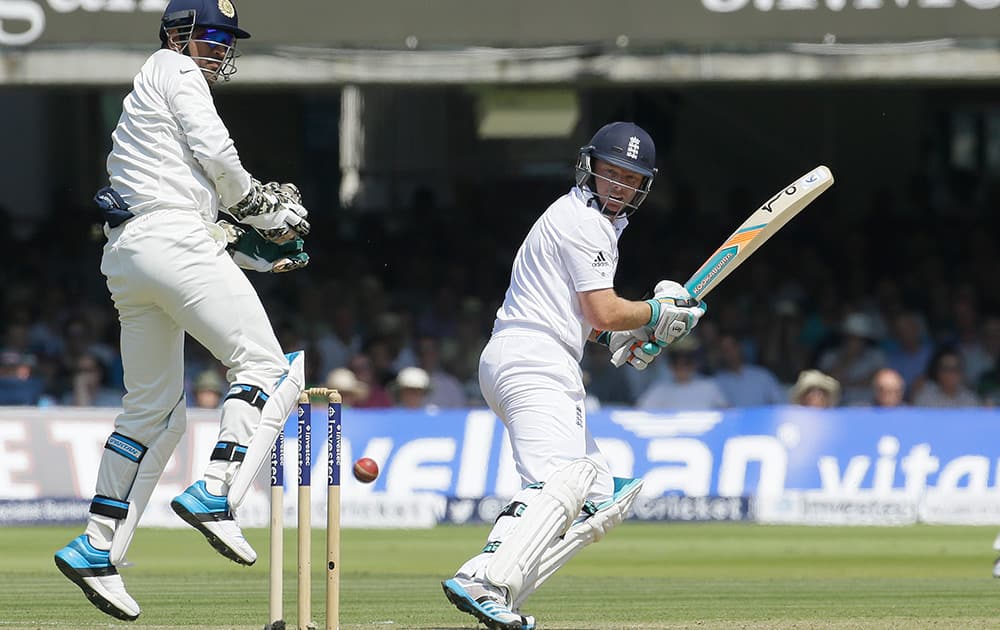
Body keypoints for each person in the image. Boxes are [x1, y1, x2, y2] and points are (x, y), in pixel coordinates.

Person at [54, 1, 309, 621]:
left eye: (227, 39)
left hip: (131, 253)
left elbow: (186, 212)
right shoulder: (175, 68)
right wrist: (263, 210)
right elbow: (218, 156)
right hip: (170, 241)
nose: (221, 47)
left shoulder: (152, 101)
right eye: (212, 35)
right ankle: (216, 493)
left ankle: (97, 544)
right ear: (178, 33)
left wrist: (252, 248)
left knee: (154, 413)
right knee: (271, 369)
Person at [441, 121, 705, 630]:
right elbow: (604, 310)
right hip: (533, 359)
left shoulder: (592, 225)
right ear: (590, 168)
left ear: (643, 186)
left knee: (603, 497)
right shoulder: (583, 222)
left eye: (631, 179)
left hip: (538, 354)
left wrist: (620, 338)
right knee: (558, 480)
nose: (619, 186)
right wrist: (654, 314)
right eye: (611, 173)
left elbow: (589, 321)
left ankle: (492, 579)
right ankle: (488, 581)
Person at [635, 337, 727, 410]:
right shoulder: (659, 390)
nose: (681, 366)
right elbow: (639, 412)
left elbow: (728, 414)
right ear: (670, 365)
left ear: (695, 363)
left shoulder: (709, 387)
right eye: (676, 361)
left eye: (687, 362)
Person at [712, 331, 786, 407]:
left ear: (739, 347)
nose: (730, 352)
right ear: (719, 353)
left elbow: (781, 404)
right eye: (725, 349)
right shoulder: (716, 382)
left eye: (732, 347)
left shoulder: (762, 375)